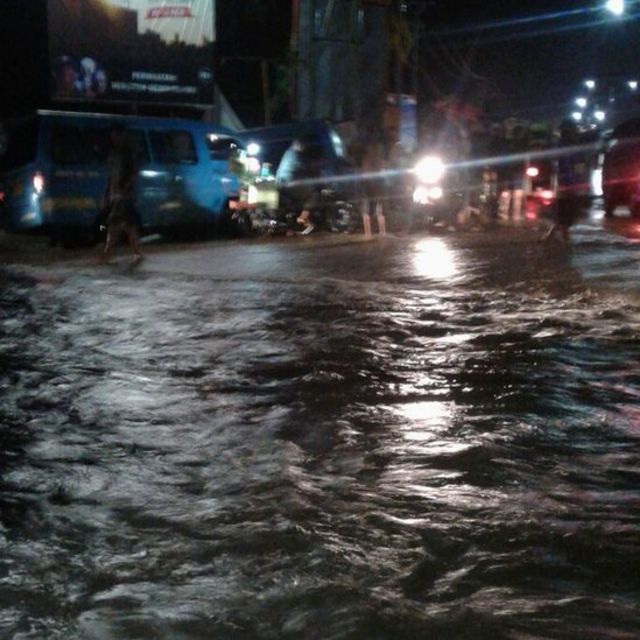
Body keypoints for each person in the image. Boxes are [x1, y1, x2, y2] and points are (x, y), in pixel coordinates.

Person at [101, 123, 143, 263]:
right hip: (117, 194)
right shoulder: (115, 152)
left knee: (113, 223)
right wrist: (107, 195)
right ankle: (137, 253)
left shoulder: (128, 152)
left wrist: (123, 189)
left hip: (124, 196)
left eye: (115, 134)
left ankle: (107, 255)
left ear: (121, 135)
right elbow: (111, 176)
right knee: (128, 225)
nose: (113, 137)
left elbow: (133, 173)